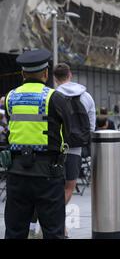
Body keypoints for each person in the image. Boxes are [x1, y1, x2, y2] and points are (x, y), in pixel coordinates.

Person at [3, 49, 71, 239]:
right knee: (53, 231)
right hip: (47, 174)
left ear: (23, 74)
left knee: (15, 231)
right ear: (46, 73)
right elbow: (68, 131)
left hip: (16, 173)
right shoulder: (54, 98)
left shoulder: (10, 97)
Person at [53, 63, 96, 238]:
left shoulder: (53, 95)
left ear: (55, 78)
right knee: (69, 187)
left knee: (51, 186)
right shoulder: (86, 97)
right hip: (75, 149)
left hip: (54, 148)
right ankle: (59, 224)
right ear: (70, 74)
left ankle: (53, 222)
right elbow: (91, 127)